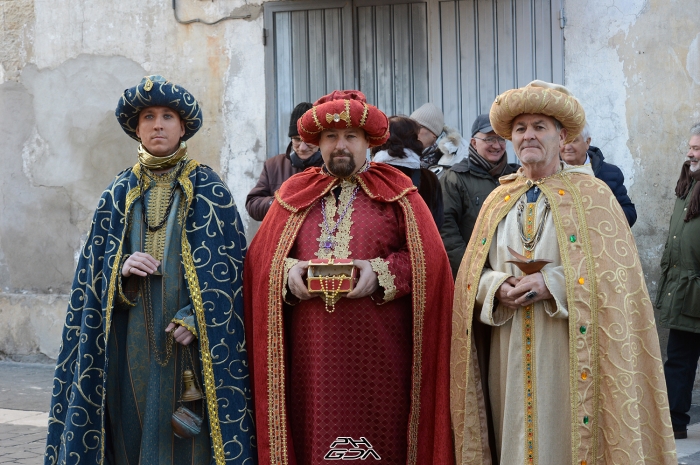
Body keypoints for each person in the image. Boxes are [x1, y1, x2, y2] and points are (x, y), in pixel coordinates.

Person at [450, 80, 675, 464]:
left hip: (569, 348)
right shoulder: (497, 199)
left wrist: (552, 282)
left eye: (540, 126)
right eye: (520, 129)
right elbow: (474, 269)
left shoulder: (595, 196)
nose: (529, 135)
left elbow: (616, 278)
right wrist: (496, 285)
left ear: (562, 135)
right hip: (507, 349)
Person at [45, 75, 255, 465]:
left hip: (188, 339)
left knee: (189, 434)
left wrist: (197, 318)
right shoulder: (117, 192)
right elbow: (91, 273)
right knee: (129, 422)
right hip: (131, 335)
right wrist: (119, 270)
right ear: (137, 128)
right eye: (148, 117)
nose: (158, 124)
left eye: (167, 116)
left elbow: (232, 275)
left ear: (182, 126)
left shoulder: (210, 188)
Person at [244, 90, 454, 465]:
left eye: (351, 137)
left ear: (368, 142)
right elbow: (260, 262)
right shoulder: (293, 193)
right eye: (330, 137)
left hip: (380, 355)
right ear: (317, 142)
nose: (340, 146)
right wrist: (286, 271)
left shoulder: (399, 192)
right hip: (311, 360)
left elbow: (432, 264)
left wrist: (382, 272)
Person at [657, 122, 700, 440]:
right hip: (685, 290)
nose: (690, 152)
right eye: (690, 146)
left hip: (694, 285)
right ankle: (675, 422)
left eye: (697, 148)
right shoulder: (688, 185)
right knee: (679, 360)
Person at [440, 114, 519, 278]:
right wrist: (475, 273)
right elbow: (447, 232)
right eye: (489, 139)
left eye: (501, 139)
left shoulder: (518, 176)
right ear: (474, 143)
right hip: (475, 278)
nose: (496, 145)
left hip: (514, 274)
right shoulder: (455, 178)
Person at [246, 101, 324, 221]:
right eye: (297, 140)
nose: (302, 147)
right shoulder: (273, 166)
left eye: (308, 140)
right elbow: (252, 204)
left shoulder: (331, 168)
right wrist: (279, 203)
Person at [372, 115, 444, 228]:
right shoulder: (430, 179)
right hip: (419, 244)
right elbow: (437, 224)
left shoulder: (369, 176)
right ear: (414, 140)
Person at [560, 123, 637, 226]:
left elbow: (629, 212)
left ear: (587, 142)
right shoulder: (548, 173)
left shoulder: (611, 173)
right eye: (563, 141)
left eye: (574, 141)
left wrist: (602, 216)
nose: (567, 147)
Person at [409, 102, 470, 177]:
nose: (412, 132)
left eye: (417, 128)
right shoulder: (405, 154)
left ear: (433, 133)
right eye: (410, 127)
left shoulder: (458, 157)